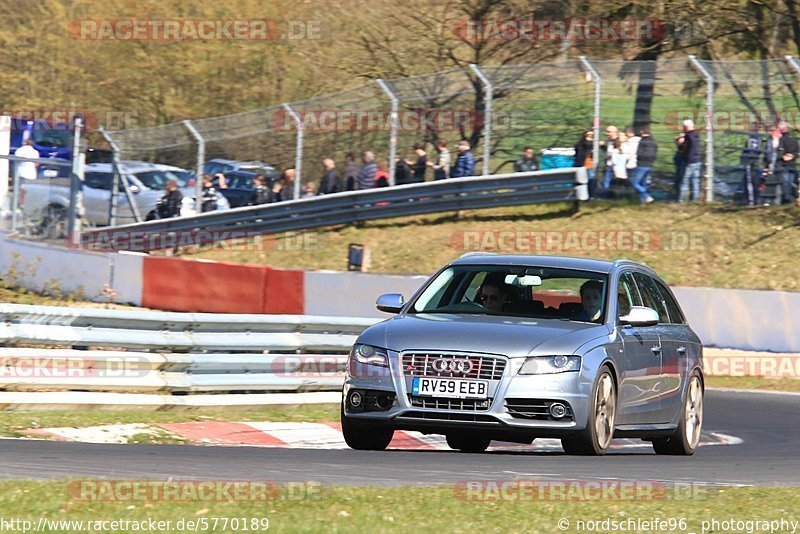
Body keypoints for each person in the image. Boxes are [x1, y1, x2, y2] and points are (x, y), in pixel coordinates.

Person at [631, 128, 657, 204]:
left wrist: (638, 159)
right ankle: (643, 201)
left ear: (642, 132)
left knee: (634, 182)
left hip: (641, 165)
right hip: (650, 165)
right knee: (643, 183)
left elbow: (639, 153)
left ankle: (646, 196)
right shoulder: (653, 141)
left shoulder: (643, 141)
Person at [679, 119, 702, 202]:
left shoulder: (687, 137)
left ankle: (682, 200)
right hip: (697, 160)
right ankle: (695, 200)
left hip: (689, 161)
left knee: (685, 181)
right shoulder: (696, 135)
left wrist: (680, 141)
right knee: (695, 181)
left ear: (685, 127)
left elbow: (682, 148)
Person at [776, 119, 799, 204]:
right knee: (789, 182)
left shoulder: (780, 139)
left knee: (786, 183)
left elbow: (778, 151)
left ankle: (789, 199)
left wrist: (784, 156)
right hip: (791, 164)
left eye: (781, 125)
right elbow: (797, 152)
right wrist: (793, 155)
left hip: (784, 165)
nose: (779, 127)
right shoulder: (794, 139)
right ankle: (790, 198)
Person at [741, 124, 763, 207]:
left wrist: (745, 160)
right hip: (755, 162)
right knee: (755, 182)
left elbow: (749, 151)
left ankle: (751, 201)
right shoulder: (758, 139)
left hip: (751, 162)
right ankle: (755, 200)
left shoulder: (752, 139)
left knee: (750, 182)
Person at [573, 130, 596, 197]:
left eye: (592, 135)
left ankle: (591, 195)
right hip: (582, 165)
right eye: (588, 135)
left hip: (590, 165)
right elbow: (579, 153)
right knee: (583, 180)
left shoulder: (595, 145)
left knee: (591, 181)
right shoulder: (580, 144)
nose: (590, 137)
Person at [673, 132, 687, 199]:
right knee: (678, 180)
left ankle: (680, 197)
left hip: (682, 163)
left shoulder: (685, 146)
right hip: (679, 162)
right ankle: (677, 195)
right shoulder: (679, 147)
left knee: (681, 180)